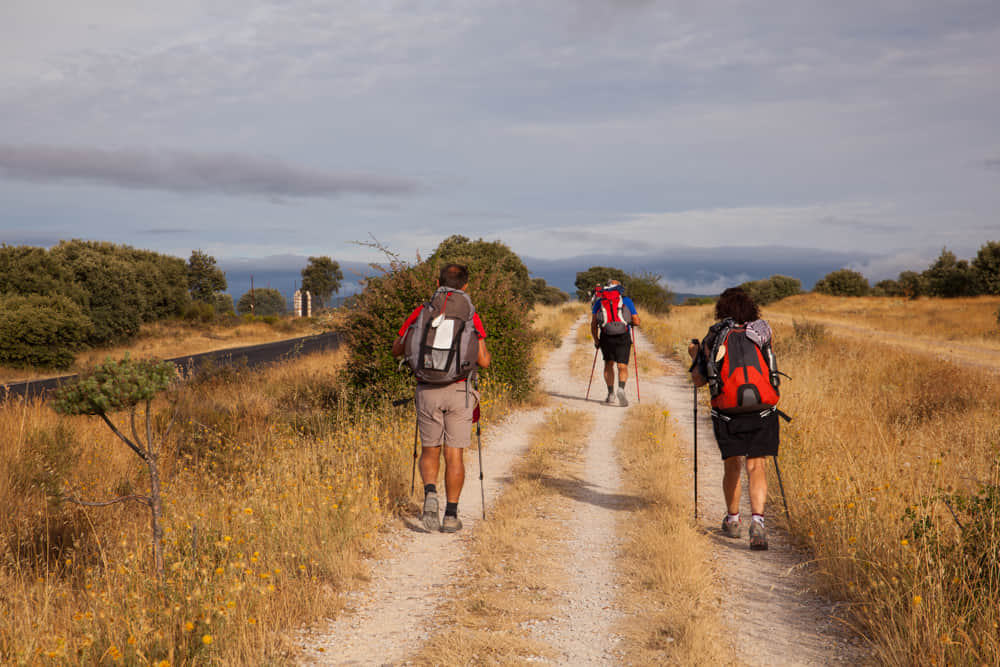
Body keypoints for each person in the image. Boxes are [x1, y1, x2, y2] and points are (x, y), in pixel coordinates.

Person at [392, 263, 491, 533]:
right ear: (466, 286)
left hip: (426, 389)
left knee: (429, 448)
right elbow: (483, 361)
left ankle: (430, 494)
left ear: (437, 282)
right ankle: (450, 515)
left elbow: (397, 349)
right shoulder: (471, 315)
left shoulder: (421, 311)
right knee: (454, 454)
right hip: (459, 390)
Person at [688, 286, 780, 550]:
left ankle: (733, 519)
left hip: (727, 412)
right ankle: (759, 523)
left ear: (722, 309)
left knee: (732, 466)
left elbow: (698, 381)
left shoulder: (714, 336)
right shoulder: (762, 332)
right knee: (757, 466)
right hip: (762, 409)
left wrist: (695, 357)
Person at [590, 279, 640, 407]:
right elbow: (636, 321)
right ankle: (621, 389)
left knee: (608, 365)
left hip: (606, 336)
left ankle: (611, 394)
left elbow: (594, 324)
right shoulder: (626, 300)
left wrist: (596, 340)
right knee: (622, 366)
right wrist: (633, 322)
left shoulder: (600, 302)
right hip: (623, 336)